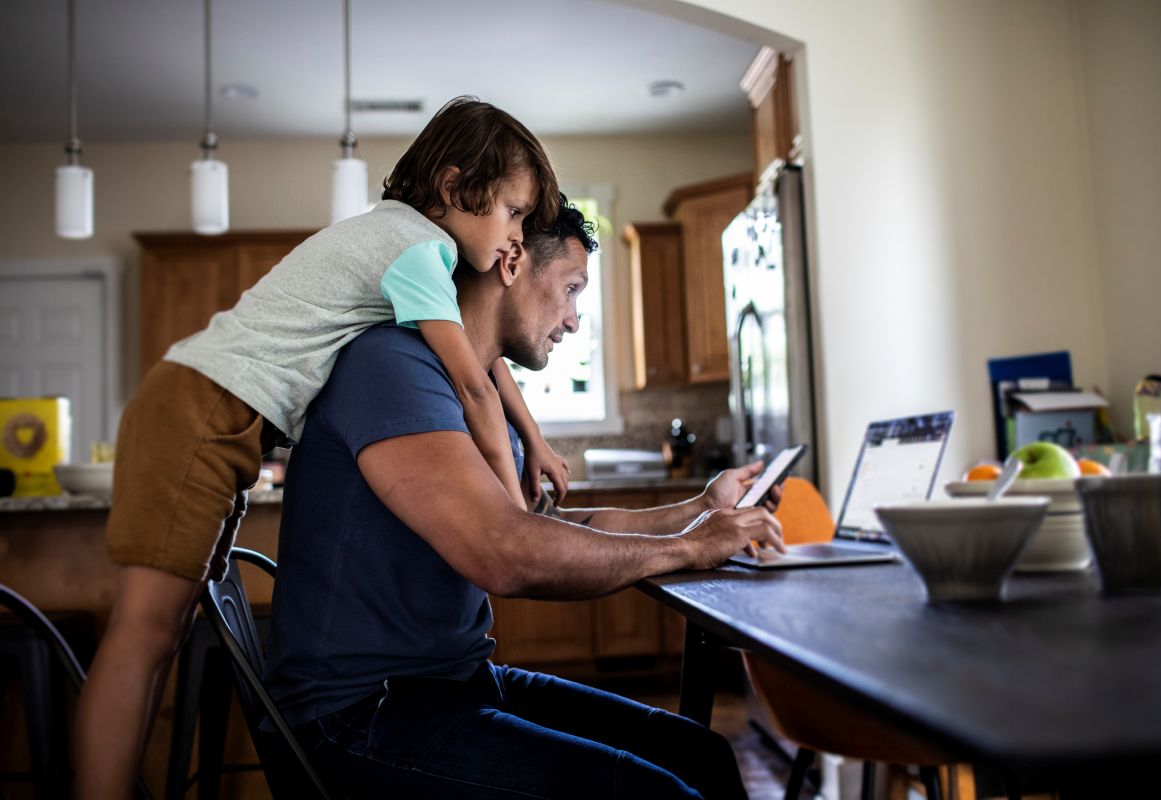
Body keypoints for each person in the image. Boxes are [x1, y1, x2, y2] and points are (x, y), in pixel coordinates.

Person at [74, 97, 571, 798]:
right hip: (198, 410)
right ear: (458, 189)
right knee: (144, 636)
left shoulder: (405, 245)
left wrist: (536, 441)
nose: (517, 236)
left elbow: (482, 361)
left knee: (165, 634)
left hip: (214, 414)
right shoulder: (415, 250)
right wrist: (513, 507)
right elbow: (472, 384)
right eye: (514, 213)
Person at [263, 199, 786, 799]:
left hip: (451, 684)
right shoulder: (392, 366)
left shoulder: (479, 385)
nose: (573, 320)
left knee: (702, 756)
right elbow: (507, 551)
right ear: (511, 264)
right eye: (570, 289)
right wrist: (688, 549)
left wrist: (698, 511)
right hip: (356, 716)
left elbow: (549, 525)